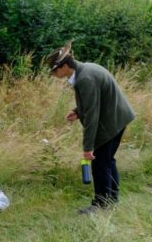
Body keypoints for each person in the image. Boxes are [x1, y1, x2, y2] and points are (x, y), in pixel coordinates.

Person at [45, 41, 135, 214]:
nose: (53, 74)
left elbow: (93, 115)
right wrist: (78, 111)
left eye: (54, 71)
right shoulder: (84, 70)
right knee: (107, 160)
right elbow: (92, 101)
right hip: (118, 117)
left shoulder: (85, 78)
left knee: (99, 163)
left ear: (64, 66)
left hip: (112, 121)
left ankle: (100, 205)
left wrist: (88, 148)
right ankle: (112, 199)